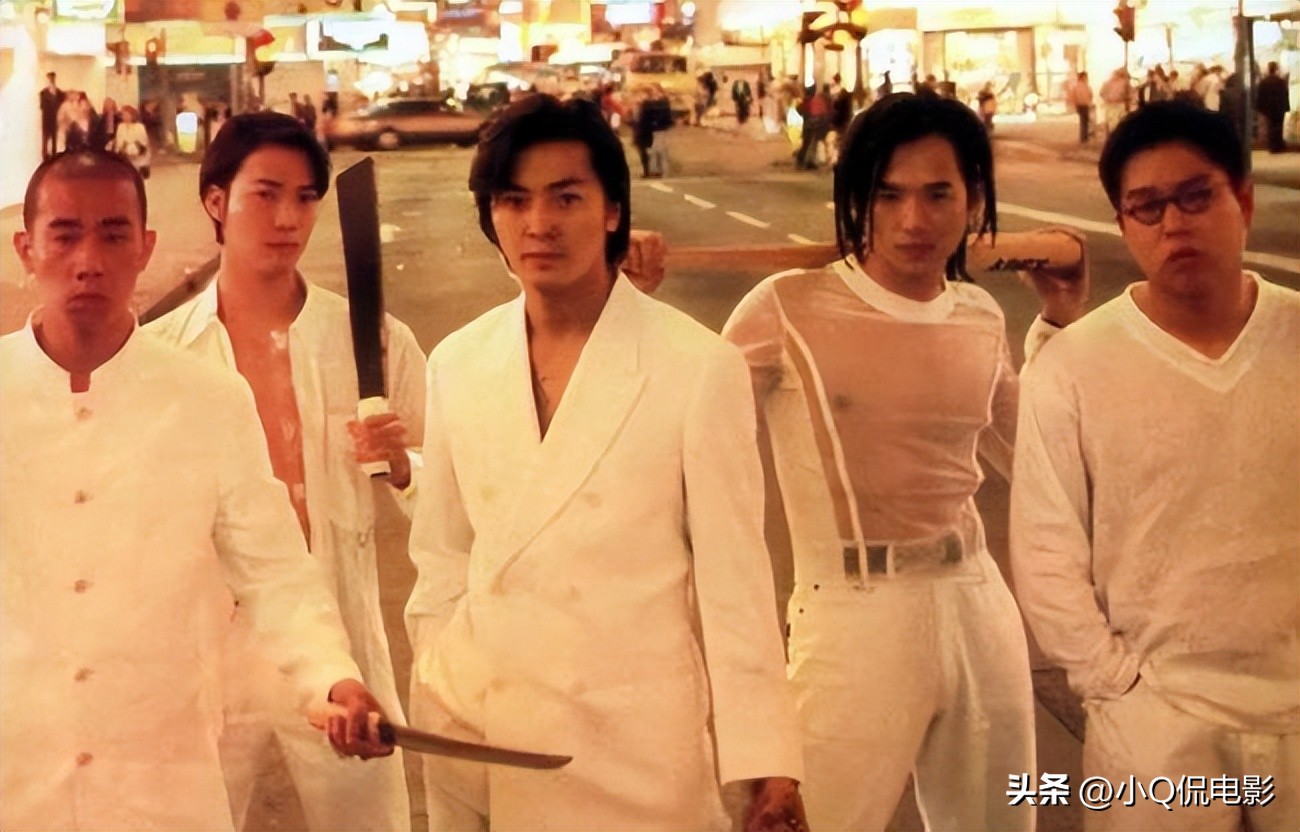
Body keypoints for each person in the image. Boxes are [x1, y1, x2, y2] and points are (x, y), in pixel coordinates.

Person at [405, 94, 806, 831]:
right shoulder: (458, 361)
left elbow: (736, 583)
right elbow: (442, 553)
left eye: (566, 198)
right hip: (483, 727)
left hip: (632, 749)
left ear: (613, 210)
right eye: (514, 200)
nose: (539, 223)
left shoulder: (694, 365)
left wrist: (766, 760)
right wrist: (437, 675)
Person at [722, 92, 1089, 832]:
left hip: (977, 603)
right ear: (858, 199)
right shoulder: (785, 308)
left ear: (973, 198)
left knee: (997, 823)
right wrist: (625, 293)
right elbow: (681, 429)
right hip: (851, 614)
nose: (913, 221)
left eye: (937, 194)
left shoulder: (978, 314)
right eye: (888, 195)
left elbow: (1042, 458)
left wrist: (1058, 322)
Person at [1, 149, 392, 831]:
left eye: (113, 235)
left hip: (161, 770)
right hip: (17, 761)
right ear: (25, 248)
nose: (88, 260)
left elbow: (274, 570)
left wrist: (330, 674)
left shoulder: (207, 399)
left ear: (146, 248)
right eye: (64, 235)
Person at [1011, 101, 1299, 832]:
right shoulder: (1072, 368)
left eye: (1196, 197)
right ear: (1124, 222)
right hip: (1158, 731)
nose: (1174, 224)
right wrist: (1117, 686)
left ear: (1243, 201)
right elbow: (1045, 552)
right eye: (1147, 207)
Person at [145, 113, 420, 832]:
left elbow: (449, 499)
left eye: (304, 198)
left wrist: (401, 465)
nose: (288, 218)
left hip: (336, 637)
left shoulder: (371, 342)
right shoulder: (162, 355)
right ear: (215, 200)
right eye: (265, 194)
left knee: (364, 820)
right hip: (206, 644)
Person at [1258, 61, 1291, 153]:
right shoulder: (1281, 82)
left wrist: (1260, 108)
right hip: (1279, 107)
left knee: (1270, 126)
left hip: (1268, 108)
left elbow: (1261, 96)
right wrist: (1286, 107)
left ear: (1269, 70)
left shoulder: (1264, 82)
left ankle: (1272, 146)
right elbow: (1285, 95)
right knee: (1279, 127)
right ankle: (1278, 145)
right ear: (1276, 69)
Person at [111, 104, 152, 179]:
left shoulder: (140, 127)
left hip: (139, 155)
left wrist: (135, 151)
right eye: (123, 115)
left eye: (127, 115)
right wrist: (126, 150)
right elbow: (119, 142)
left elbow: (143, 142)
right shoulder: (120, 126)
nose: (125, 117)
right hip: (125, 156)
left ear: (132, 115)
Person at [39, 71, 65, 159]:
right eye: (50, 78)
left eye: (53, 78)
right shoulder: (43, 93)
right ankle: (45, 157)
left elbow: (62, 105)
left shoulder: (59, 93)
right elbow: (42, 106)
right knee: (45, 140)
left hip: (55, 119)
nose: (51, 80)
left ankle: (53, 156)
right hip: (46, 120)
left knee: (54, 139)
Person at [1099, 68, 1132, 136]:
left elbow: (1101, 93)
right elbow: (1128, 96)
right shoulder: (1125, 82)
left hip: (1112, 105)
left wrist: (1106, 98)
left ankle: (1111, 138)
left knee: (1111, 125)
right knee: (1117, 125)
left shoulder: (1107, 82)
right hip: (1117, 105)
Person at [1070, 70, 1095, 143]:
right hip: (1082, 105)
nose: (1086, 78)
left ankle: (1084, 137)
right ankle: (1084, 137)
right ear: (1081, 77)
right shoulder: (1083, 86)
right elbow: (1090, 95)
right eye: (1085, 77)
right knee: (1084, 121)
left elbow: (1090, 95)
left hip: (1083, 105)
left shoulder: (1081, 86)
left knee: (1084, 121)